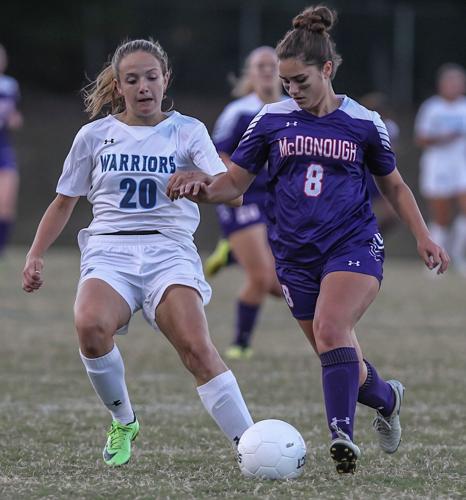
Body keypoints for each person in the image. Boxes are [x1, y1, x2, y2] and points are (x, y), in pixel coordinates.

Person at [167, 5, 449, 474]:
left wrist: (423, 237)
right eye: (286, 82)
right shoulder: (270, 121)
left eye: (302, 81)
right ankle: (387, 398)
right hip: (295, 256)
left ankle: (341, 436)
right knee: (340, 357)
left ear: (328, 69)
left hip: (354, 244)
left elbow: (394, 186)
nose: (293, 90)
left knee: (332, 330)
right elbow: (232, 185)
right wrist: (199, 183)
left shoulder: (363, 122)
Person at [22, 38, 254, 467]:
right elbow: (63, 202)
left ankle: (250, 447)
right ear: (119, 85)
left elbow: (232, 193)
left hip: (169, 252)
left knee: (197, 350)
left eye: (151, 77)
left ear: (165, 80)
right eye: (133, 79)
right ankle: (123, 420)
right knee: (89, 326)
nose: (144, 86)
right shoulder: (94, 136)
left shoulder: (188, 130)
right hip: (110, 252)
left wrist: (197, 179)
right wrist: (36, 254)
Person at [207, 46, 284, 360]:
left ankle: (232, 254)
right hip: (243, 197)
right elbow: (217, 154)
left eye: (272, 65)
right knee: (262, 277)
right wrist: (235, 183)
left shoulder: (292, 109)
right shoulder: (238, 111)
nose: (267, 71)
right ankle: (240, 343)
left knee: (282, 287)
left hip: (276, 201)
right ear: (250, 74)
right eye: (260, 66)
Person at [414, 63, 466, 276]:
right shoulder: (431, 108)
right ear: (441, 85)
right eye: (450, 82)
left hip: (460, 165)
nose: (454, 87)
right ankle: (435, 261)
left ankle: (459, 254)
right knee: (441, 218)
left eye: (458, 83)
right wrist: (443, 137)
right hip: (437, 167)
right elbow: (421, 139)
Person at [360, 92, 400, 235]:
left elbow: (390, 153)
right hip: (363, 173)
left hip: (380, 173)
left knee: (392, 213)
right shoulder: (359, 125)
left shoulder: (389, 126)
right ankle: (361, 239)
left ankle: (370, 238)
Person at [0, 44, 23, 256]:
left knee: (6, 202)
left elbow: (14, 116)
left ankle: (1, 249)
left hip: (3, 146)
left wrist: (14, 119)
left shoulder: (9, 85)